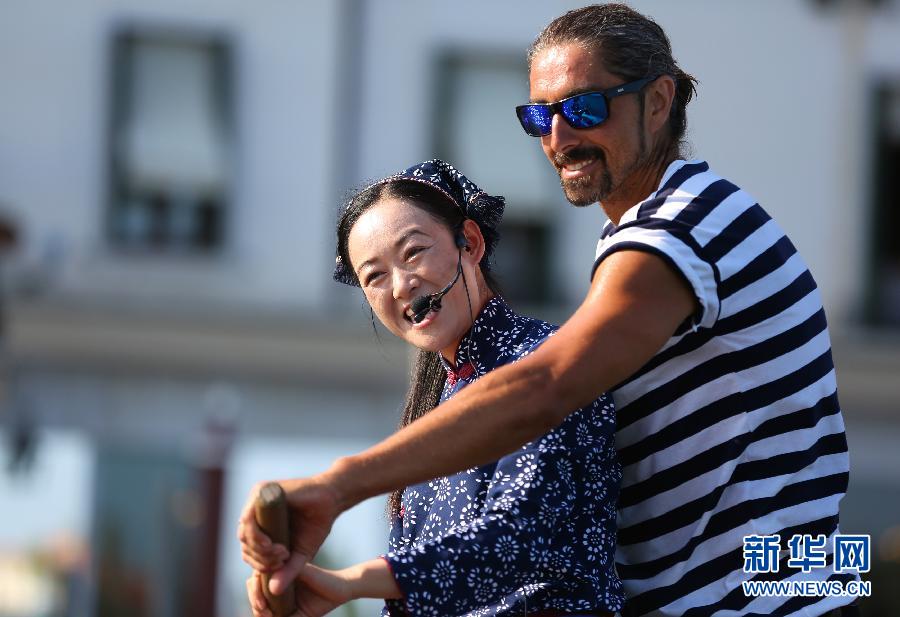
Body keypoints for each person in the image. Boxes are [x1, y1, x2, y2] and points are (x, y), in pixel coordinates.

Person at [239, 5, 858, 616]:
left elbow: (546, 389)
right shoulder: (649, 236)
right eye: (541, 116)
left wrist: (338, 486)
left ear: (659, 101)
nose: (558, 138)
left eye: (585, 107)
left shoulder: (685, 229)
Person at [244, 160, 625, 616]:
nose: (402, 286)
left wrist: (350, 584)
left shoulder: (545, 363)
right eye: (375, 277)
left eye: (413, 253)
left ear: (471, 242)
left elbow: (522, 535)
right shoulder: (436, 403)